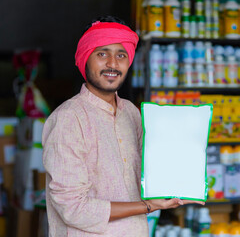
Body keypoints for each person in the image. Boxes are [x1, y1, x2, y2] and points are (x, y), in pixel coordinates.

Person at [42, 15, 204, 236]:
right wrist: (149, 206)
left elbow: (149, 176)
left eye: (121, 55)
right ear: (85, 59)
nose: (112, 64)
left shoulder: (131, 113)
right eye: (102, 54)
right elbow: (73, 208)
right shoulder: (68, 119)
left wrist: (182, 178)